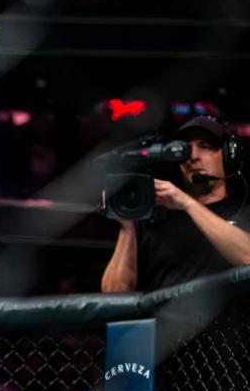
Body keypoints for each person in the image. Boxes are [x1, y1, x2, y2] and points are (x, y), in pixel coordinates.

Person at [102, 115, 250, 292]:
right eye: (186, 149)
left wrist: (187, 203)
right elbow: (113, 294)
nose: (193, 156)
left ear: (227, 156)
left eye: (205, 147)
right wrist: (127, 226)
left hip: (225, 319)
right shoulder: (152, 217)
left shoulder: (244, 211)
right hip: (160, 318)